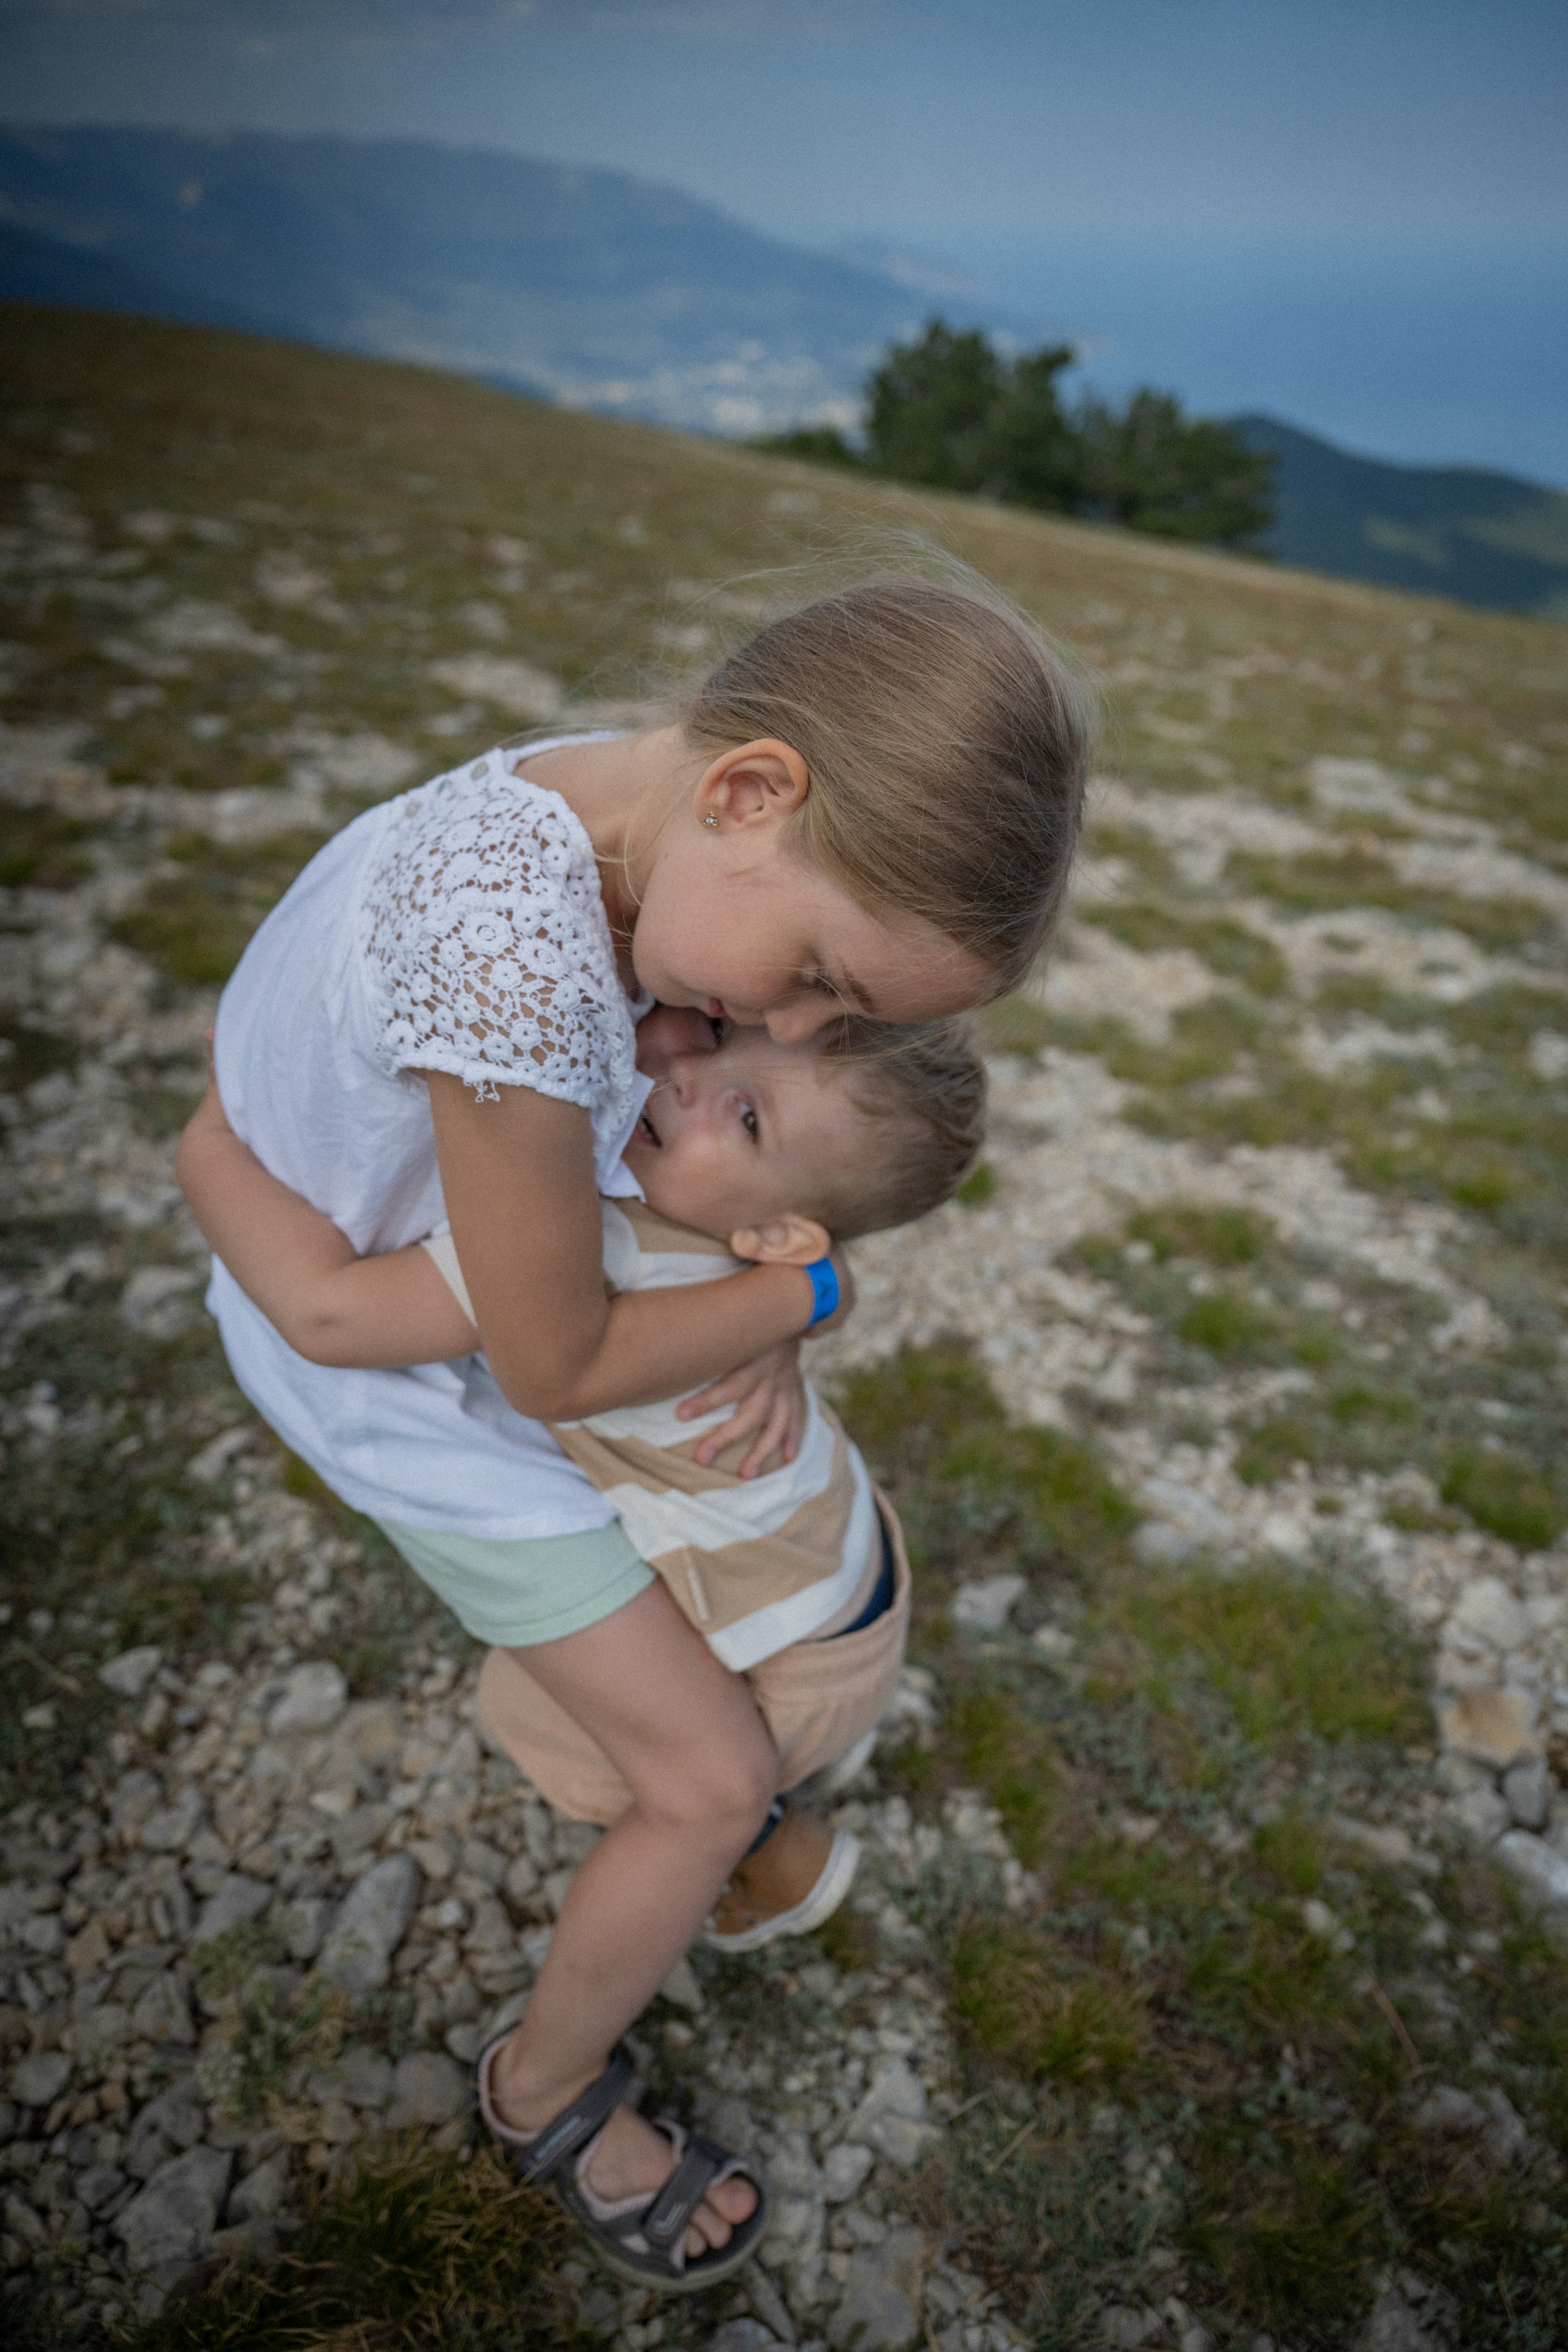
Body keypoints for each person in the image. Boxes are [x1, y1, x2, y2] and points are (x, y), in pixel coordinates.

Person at [184, 572, 1090, 2286]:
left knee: (710, 1551)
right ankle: (544, 2087)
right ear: (747, 792)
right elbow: (548, 1359)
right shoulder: (519, 978)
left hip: (448, 1298)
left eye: (831, 1023)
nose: (782, 1027)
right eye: (810, 977)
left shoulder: (591, 797)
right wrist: (803, 1292)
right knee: (706, 1768)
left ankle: (731, 1830)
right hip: (404, 1380)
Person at [179, 1006, 985, 1946]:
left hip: (792, 1657)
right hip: (846, 1576)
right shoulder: (745, 1241)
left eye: (745, 1116)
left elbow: (334, 1315)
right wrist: (817, 1288)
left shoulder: (596, 1244)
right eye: (720, 1041)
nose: (684, 1077)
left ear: (775, 1232)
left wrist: (214, 1136)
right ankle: (810, 1752)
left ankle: (767, 1841)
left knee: (544, 1715)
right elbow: (817, 1263)